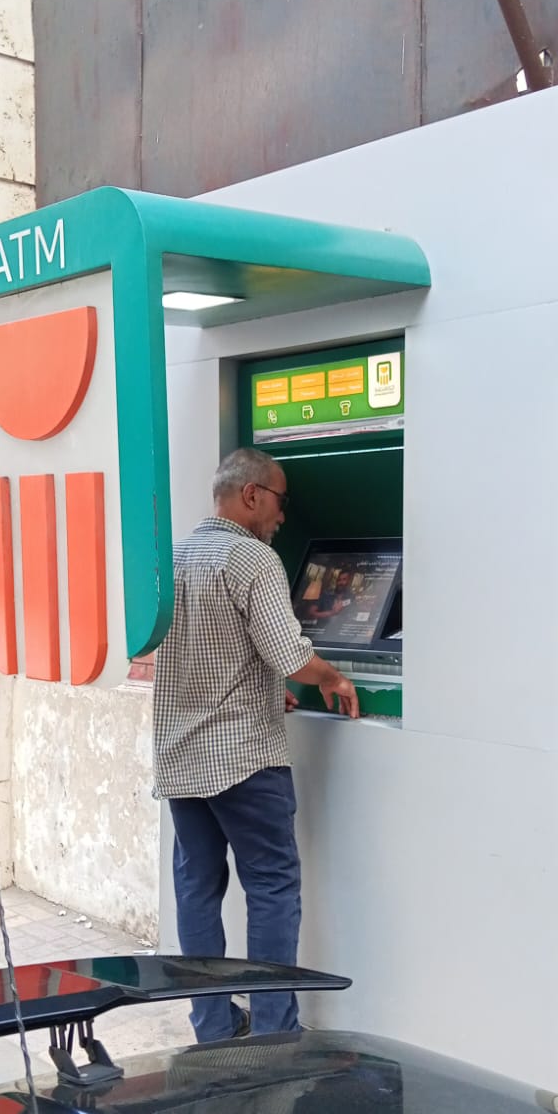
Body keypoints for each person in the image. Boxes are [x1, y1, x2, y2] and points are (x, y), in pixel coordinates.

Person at [152, 447, 360, 1043]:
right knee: (271, 889)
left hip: (181, 756)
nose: (283, 517)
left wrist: (267, 690)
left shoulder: (173, 557)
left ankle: (213, 1026)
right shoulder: (254, 559)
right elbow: (289, 653)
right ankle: (273, 1034)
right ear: (251, 495)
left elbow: (209, 652)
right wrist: (333, 678)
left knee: (197, 891)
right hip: (243, 760)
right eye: (280, 501)